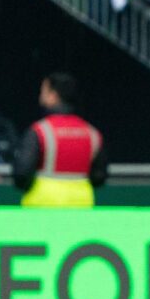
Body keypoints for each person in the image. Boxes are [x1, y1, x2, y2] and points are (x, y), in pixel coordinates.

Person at [13, 73, 108, 207]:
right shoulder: (92, 133)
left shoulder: (40, 131)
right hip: (81, 205)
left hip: (42, 206)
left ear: (53, 96)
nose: (40, 97)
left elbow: (22, 174)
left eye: (43, 92)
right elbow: (99, 176)